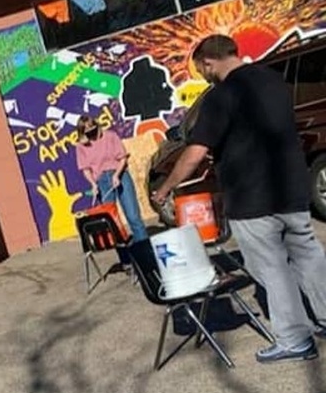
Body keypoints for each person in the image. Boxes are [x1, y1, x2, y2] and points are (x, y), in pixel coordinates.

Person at [152, 34, 326, 364]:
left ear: (207, 62)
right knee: (308, 255)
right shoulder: (275, 80)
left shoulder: (223, 95)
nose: (203, 74)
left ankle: (294, 339)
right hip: (291, 188)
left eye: (201, 69)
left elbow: (195, 152)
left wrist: (166, 187)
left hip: (252, 197)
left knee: (272, 268)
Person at [75, 114, 150, 246]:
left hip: (120, 175)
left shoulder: (110, 136)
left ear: (96, 125)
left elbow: (123, 158)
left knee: (133, 216)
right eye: (86, 131)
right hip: (101, 181)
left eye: (92, 128)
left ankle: (145, 249)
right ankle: (125, 259)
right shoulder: (81, 146)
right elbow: (86, 169)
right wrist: (93, 184)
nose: (91, 133)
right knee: (112, 222)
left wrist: (117, 175)